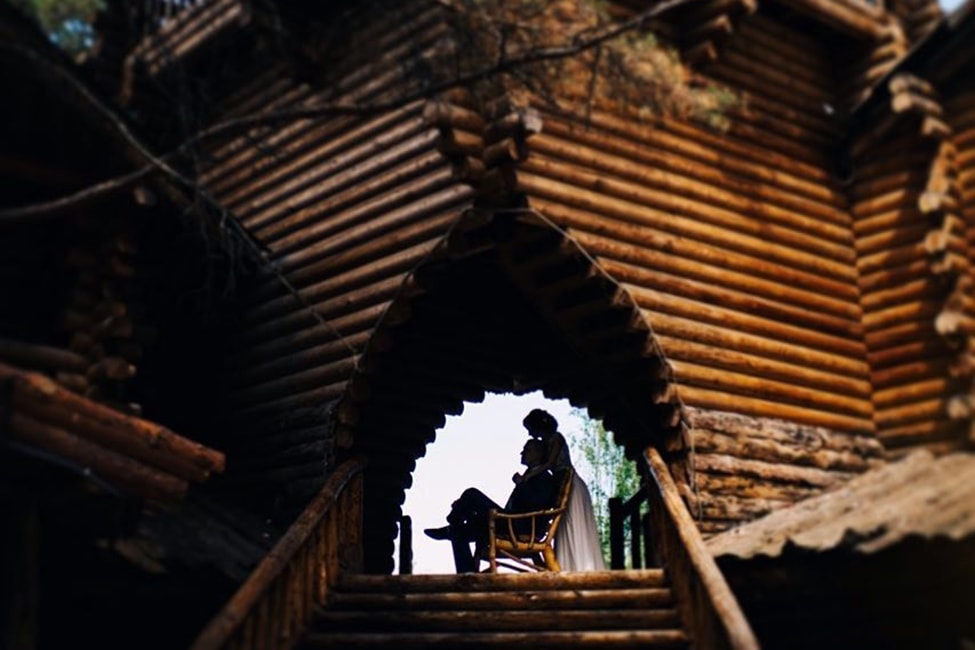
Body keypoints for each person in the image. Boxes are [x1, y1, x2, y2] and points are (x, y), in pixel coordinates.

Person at [424, 439, 559, 573]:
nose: (522, 453)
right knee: (457, 531)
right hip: (509, 522)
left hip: (520, 526)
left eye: (527, 450)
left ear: (539, 454)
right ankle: (467, 575)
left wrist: (521, 484)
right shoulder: (530, 475)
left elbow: (537, 504)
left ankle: (453, 519)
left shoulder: (544, 477)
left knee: (472, 494)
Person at [515, 408, 606, 572]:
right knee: (563, 525)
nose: (530, 434)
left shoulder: (556, 438)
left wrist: (526, 478)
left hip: (570, 484)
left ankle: (581, 565)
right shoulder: (545, 443)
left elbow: (549, 464)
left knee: (573, 522)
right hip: (560, 484)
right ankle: (567, 565)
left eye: (531, 429)